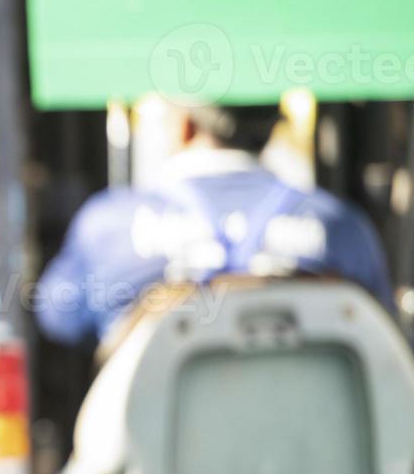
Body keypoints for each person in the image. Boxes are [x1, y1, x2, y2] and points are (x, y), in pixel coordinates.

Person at [35, 103, 393, 346]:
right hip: (312, 451)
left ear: (184, 125)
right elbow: (386, 336)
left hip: (154, 453)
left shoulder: (108, 222)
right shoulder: (342, 228)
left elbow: (58, 318)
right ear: (272, 128)